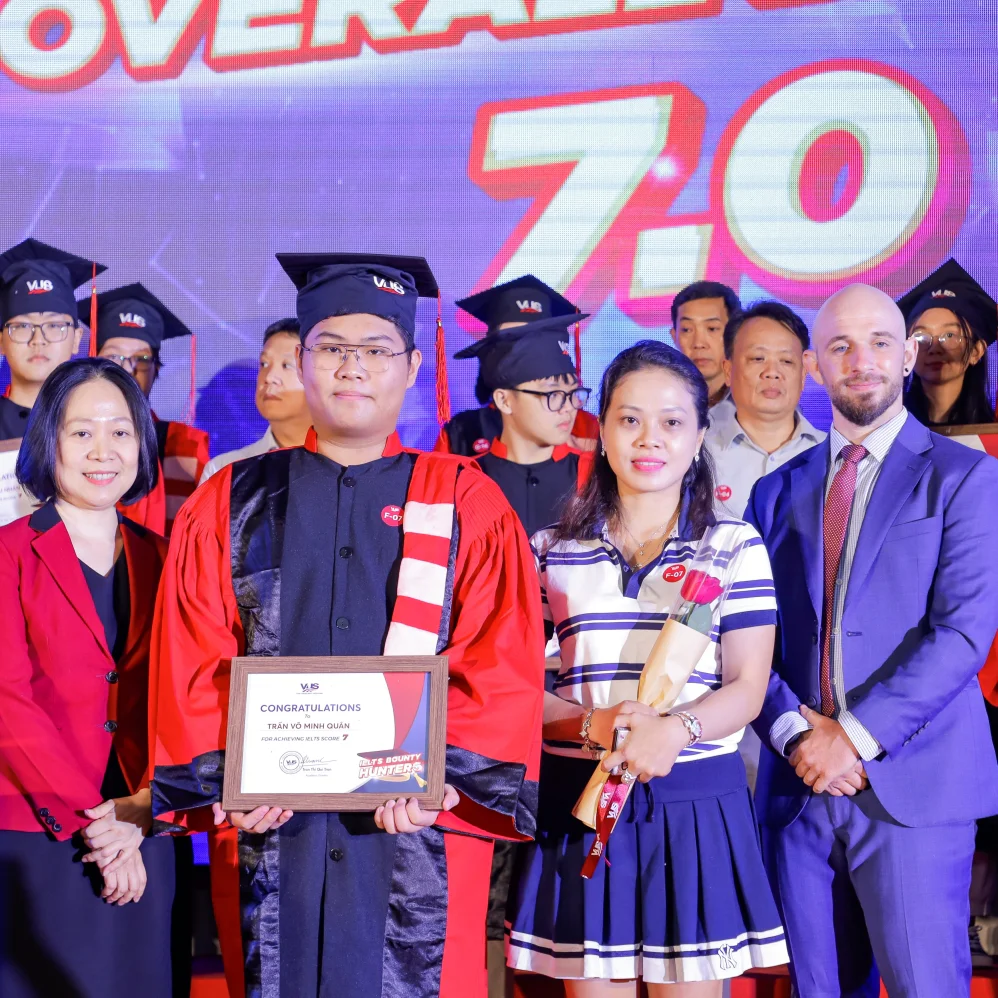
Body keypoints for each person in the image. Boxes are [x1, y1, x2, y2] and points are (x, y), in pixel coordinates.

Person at [148, 252, 545, 998]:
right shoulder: (229, 500)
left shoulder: (465, 502)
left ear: (412, 366)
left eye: (376, 350)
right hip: (272, 828)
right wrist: (231, 779)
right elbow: (191, 659)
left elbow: (501, 665)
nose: (352, 366)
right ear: (302, 360)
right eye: (331, 347)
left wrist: (437, 781)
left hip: (417, 832)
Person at [506, 340, 790, 994]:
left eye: (671, 422)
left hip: (695, 802)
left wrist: (677, 729)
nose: (649, 439)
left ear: (699, 437)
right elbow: (520, 690)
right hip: (581, 800)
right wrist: (592, 724)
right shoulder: (549, 551)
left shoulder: (732, 545)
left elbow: (748, 686)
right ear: (601, 432)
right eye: (629, 419)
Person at [746, 283, 998, 997]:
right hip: (799, 789)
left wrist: (851, 739)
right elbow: (749, 639)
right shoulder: (775, 491)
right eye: (841, 346)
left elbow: (962, 635)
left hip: (913, 787)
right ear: (815, 366)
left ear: (908, 355)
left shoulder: (966, 478)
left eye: (880, 343)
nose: (862, 361)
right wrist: (798, 737)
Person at [0, 357, 187, 998]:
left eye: (121, 431)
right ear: (46, 440)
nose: (102, 450)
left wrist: (141, 811)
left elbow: (186, 694)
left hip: (144, 828)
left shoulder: (167, 559)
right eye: (81, 432)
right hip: (39, 830)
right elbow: (8, 701)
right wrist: (98, 827)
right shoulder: (8, 553)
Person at [85, 283, 210, 536]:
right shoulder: (69, 439)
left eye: (141, 359)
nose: (127, 370)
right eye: (113, 357)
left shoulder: (186, 447)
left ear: (156, 369)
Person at [455, 314, 594, 538]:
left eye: (573, 393)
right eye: (553, 394)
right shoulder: (468, 479)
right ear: (504, 401)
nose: (568, 407)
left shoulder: (592, 474)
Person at [435, 275, 598, 456]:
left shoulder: (587, 429)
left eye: (537, 338)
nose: (524, 350)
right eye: (511, 339)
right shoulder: (461, 433)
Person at [706, 300, 824, 519]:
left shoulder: (833, 455)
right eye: (758, 358)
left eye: (786, 361)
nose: (772, 372)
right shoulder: (696, 453)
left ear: (803, 375)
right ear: (728, 371)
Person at [0, 238, 103, 441]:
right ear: (1, 342)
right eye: (22, 326)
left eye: (54, 326)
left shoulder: (102, 427)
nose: (38, 340)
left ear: (76, 339)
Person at [200, 317, 311, 481]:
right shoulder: (224, 471)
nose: (269, 377)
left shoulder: (344, 464)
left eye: (287, 365)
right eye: (264, 364)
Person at [899, 258, 997, 427]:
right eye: (921, 337)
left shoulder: (992, 433)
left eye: (950, 335)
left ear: (976, 351)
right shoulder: (887, 431)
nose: (935, 348)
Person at [672, 280, 741, 409]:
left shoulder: (754, 403)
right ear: (674, 337)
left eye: (712, 329)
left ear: (736, 334)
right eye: (687, 330)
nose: (699, 343)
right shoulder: (662, 400)